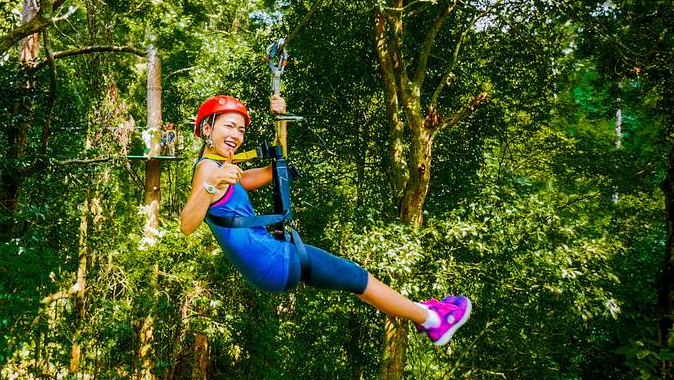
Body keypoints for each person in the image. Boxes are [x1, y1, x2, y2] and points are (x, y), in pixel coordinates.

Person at [179, 94, 471, 346]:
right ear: (207, 127)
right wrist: (210, 185)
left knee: (356, 283)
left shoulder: (223, 167)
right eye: (229, 126)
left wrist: (281, 120)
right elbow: (187, 225)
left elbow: (274, 168)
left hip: (268, 264)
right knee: (360, 279)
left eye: (241, 129)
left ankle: (421, 314)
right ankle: (433, 320)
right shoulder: (209, 170)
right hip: (275, 260)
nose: (237, 135)